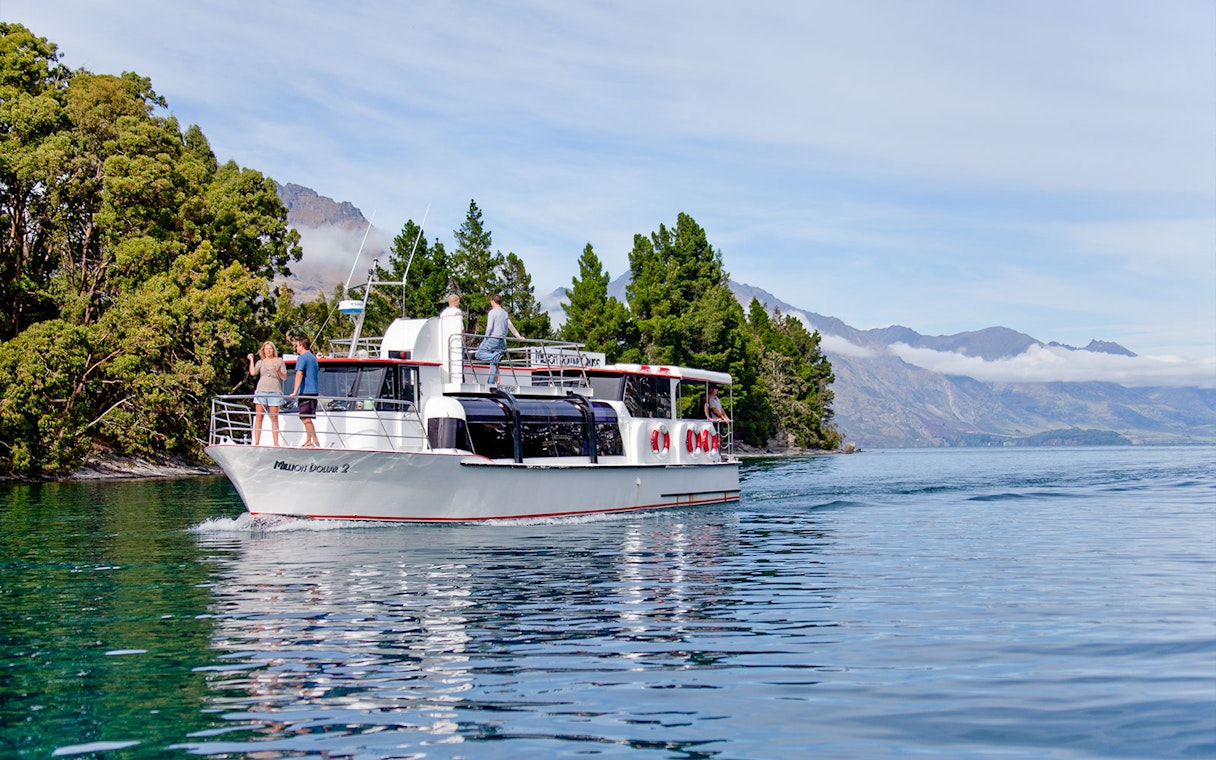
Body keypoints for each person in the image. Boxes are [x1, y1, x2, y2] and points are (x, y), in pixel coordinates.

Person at [473, 293, 522, 384]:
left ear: (492, 301)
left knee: (479, 354)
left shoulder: (492, 312)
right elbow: (511, 326)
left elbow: (489, 327)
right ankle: (490, 384)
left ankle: (494, 357)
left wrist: (486, 338)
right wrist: (518, 337)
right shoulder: (505, 313)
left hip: (493, 338)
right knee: (495, 364)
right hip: (502, 341)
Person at [248, 341, 288, 446]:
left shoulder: (279, 361)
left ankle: (276, 443)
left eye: (270, 348)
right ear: (264, 351)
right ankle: (256, 442)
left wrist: (277, 371)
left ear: (273, 350)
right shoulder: (261, 362)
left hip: (275, 392)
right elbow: (253, 372)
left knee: (274, 418)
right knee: (259, 417)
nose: (269, 350)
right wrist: (251, 360)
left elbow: (284, 377)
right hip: (261, 392)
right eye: (267, 349)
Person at [289, 336, 321, 448]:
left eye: (297, 346)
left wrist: (294, 391)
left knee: (304, 417)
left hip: (306, 392)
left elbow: (299, 374)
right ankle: (308, 441)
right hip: (314, 391)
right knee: (307, 416)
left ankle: (315, 441)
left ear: (302, 346)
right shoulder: (313, 358)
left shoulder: (302, 358)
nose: (296, 348)